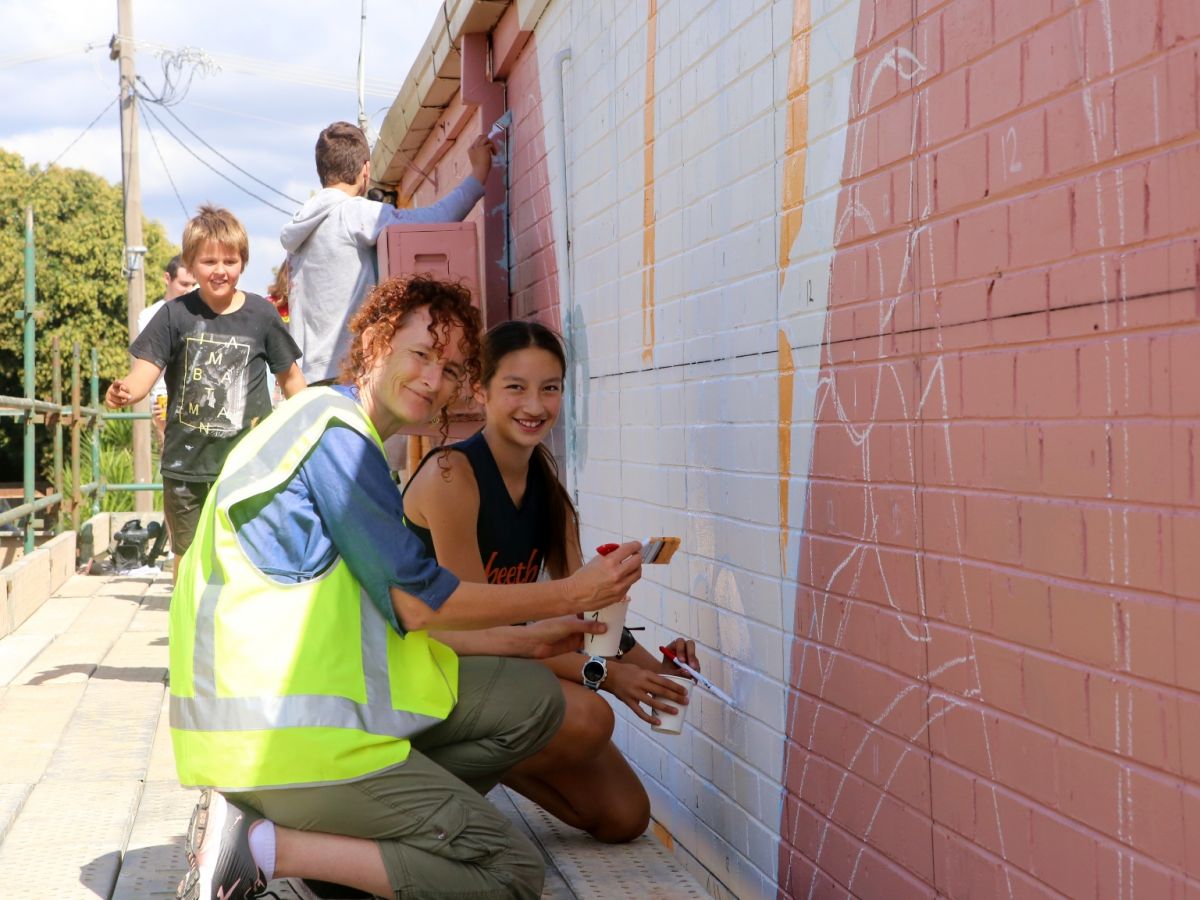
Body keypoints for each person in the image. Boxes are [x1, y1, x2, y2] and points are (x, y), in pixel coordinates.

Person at [170, 275, 644, 900]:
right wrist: (568, 595)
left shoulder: (338, 430)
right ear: (375, 341)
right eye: (421, 354)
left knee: (533, 698)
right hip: (278, 739)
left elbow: (389, 618)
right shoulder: (334, 437)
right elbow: (419, 604)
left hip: (291, 722)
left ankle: (347, 854)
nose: (433, 378)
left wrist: (533, 643)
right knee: (512, 873)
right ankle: (264, 848)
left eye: (450, 369)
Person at [401, 320, 700, 843]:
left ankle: (501, 758)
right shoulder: (452, 475)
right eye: (515, 387)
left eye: (551, 388)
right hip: (432, 669)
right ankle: (423, 781)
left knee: (624, 816)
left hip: (507, 667)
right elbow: (479, 634)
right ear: (481, 390)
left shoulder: (546, 484)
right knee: (588, 717)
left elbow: (586, 616)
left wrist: (659, 673)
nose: (534, 405)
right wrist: (604, 677)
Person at [105, 205, 305, 560]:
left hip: (250, 466)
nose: (220, 271)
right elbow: (145, 372)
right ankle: (186, 617)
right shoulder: (174, 315)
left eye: (230, 261)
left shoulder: (262, 315)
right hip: (186, 468)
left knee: (248, 558)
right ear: (190, 263)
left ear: (243, 262)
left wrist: (310, 428)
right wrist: (127, 391)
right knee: (189, 558)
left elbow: (291, 380)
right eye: (209, 262)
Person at [281, 120, 494, 384]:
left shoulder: (303, 225)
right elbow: (436, 221)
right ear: (366, 170)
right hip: (349, 371)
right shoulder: (352, 212)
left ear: (322, 171)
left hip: (309, 376)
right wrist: (478, 174)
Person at [135, 255, 197, 447]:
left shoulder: (199, 312)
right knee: (170, 453)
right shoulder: (149, 316)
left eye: (194, 284)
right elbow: (153, 363)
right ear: (167, 278)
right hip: (164, 396)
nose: (189, 290)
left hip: (197, 395)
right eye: (184, 283)